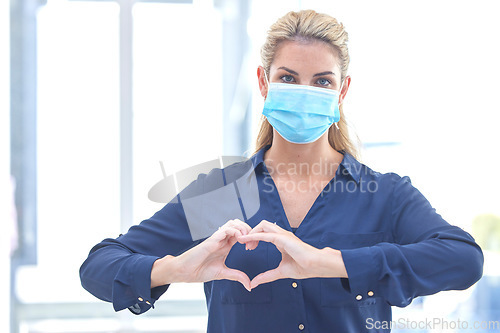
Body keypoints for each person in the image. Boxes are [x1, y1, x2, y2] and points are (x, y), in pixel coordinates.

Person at [80, 9, 484, 332]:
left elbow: (463, 259)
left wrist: (331, 263)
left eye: (322, 82)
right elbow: (99, 265)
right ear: (263, 82)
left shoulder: (385, 196)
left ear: (342, 92)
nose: (305, 93)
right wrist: (173, 269)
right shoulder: (223, 194)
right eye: (288, 78)